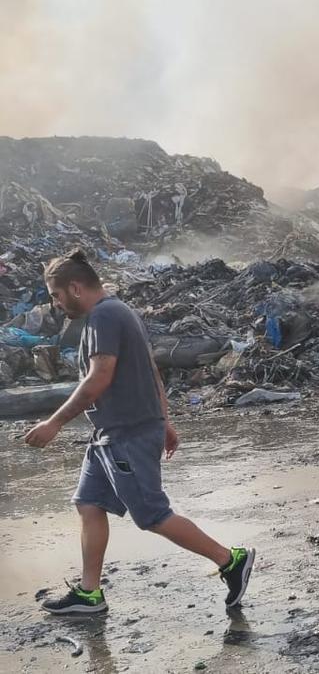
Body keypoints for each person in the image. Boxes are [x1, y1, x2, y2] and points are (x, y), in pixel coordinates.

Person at [24, 249, 255, 615]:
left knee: (152, 515)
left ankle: (230, 560)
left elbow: (99, 377)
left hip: (126, 434)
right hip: (109, 435)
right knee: (89, 504)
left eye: (56, 295)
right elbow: (151, 371)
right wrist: (164, 421)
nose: (55, 304)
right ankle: (89, 594)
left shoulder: (105, 316)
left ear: (75, 288)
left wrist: (54, 422)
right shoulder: (115, 313)